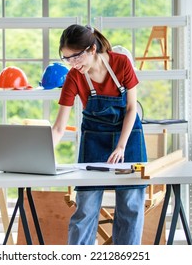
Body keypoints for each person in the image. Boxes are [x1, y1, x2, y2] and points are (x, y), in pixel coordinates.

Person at [52, 24, 147, 245]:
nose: (73, 64)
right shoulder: (74, 77)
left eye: (76, 57)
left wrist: (121, 146)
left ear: (92, 49)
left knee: (130, 210)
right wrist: (42, 157)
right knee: (85, 209)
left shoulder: (121, 63)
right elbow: (58, 128)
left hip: (128, 138)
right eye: (67, 59)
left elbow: (132, 108)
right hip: (94, 141)